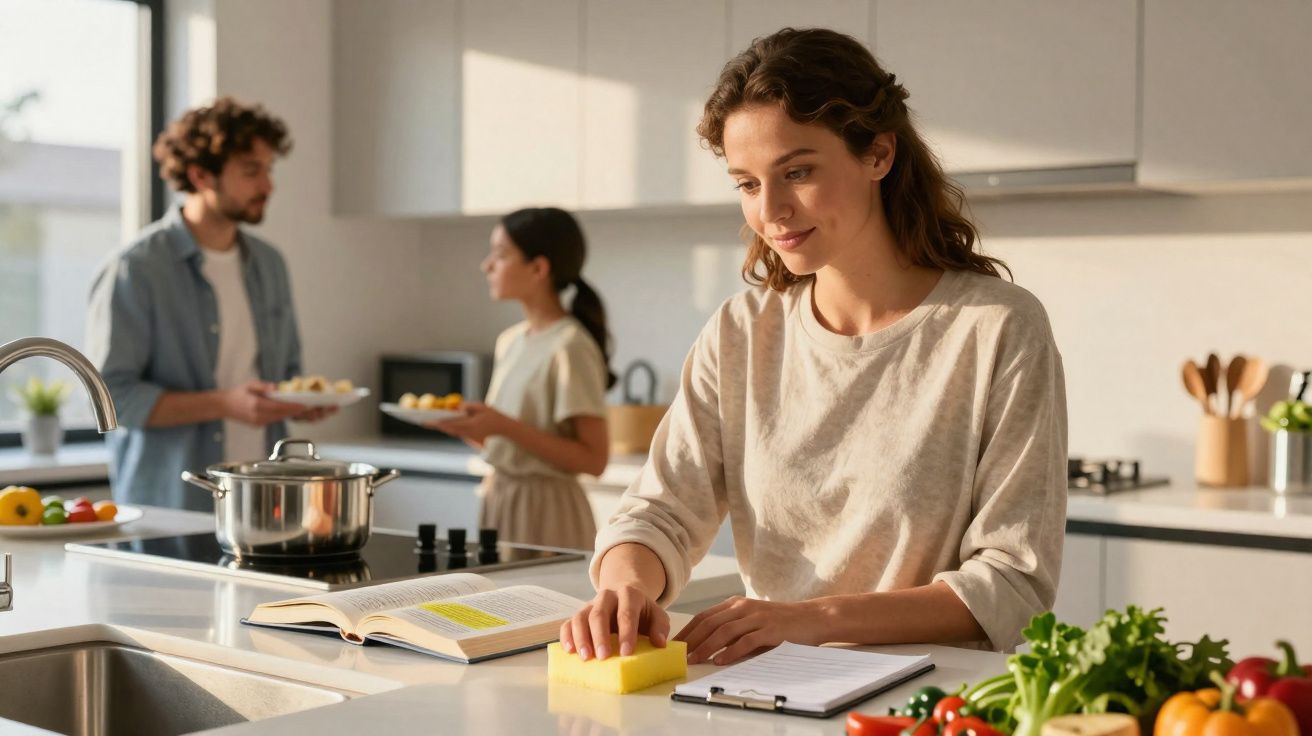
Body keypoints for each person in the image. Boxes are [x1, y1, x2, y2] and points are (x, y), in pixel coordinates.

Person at [560, 28, 1068, 664]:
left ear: (879, 154)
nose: (770, 210)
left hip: (928, 701)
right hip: (766, 690)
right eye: (746, 184)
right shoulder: (740, 332)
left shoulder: (995, 327)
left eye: (796, 172)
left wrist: (810, 620)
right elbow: (659, 512)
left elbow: (1011, 582)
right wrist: (625, 588)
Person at [86, 97, 331, 512]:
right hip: (171, 509)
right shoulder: (136, 268)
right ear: (201, 175)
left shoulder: (269, 264)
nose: (268, 186)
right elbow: (113, 398)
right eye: (251, 171)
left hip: (265, 500)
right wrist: (225, 403)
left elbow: (287, 374)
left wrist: (301, 402)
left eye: (269, 170)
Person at [430, 207, 614, 551]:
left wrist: (502, 425)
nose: (487, 265)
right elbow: (512, 444)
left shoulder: (570, 346)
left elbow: (593, 460)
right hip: (500, 498)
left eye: (500, 254)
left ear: (538, 268)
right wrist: (471, 429)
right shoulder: (510, 341)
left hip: (547, 514)